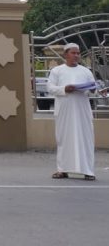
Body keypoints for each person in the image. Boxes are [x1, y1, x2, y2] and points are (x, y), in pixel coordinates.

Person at [47, 43, 105, 181]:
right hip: (64, 110)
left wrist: (93, 90)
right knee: (63, 139)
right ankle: (63, 170)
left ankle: (88, 171)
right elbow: (50, 88)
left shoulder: (86, 71)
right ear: (65, 54)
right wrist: (65, 89)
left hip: (82, 110)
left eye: (78, 53)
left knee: (85, 138)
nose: (76, 55)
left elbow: (93, 89)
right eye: (73, 53)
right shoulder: (57, 71)